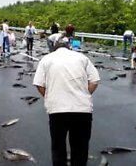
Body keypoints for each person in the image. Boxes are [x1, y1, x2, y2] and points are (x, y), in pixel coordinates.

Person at [33, 38, 100, 166]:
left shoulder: (46, 59)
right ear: (69, 46)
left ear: (54, 46)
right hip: (82, 109)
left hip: (57, 109)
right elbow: (94, 80)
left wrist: (49, 97)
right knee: (80, 147)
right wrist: (85, 94)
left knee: (58, 146)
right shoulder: (81, 58)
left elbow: (39, 84)